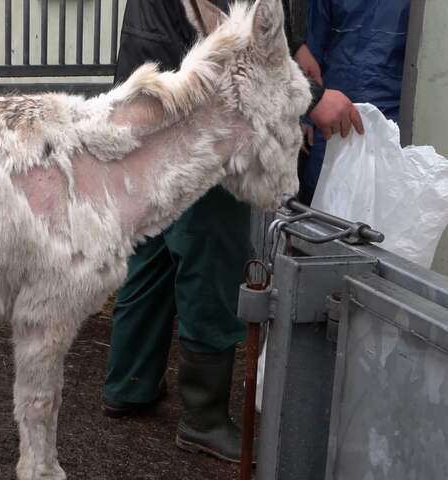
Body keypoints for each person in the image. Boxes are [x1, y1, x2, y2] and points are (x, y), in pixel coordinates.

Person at [101, 0, 362, 463]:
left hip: (152, 92)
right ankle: (203, 418)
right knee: (212, 254)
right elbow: (233, 36)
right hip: (201, 107)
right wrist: (314, 97)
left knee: (154, 243)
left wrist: (294, 45)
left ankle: (129, 383)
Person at [296, 0, 409, 204]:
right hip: (332, 113)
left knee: (380, 198)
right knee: (321, 191)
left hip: (389, 119)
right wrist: (305, 113)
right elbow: (312, 50)